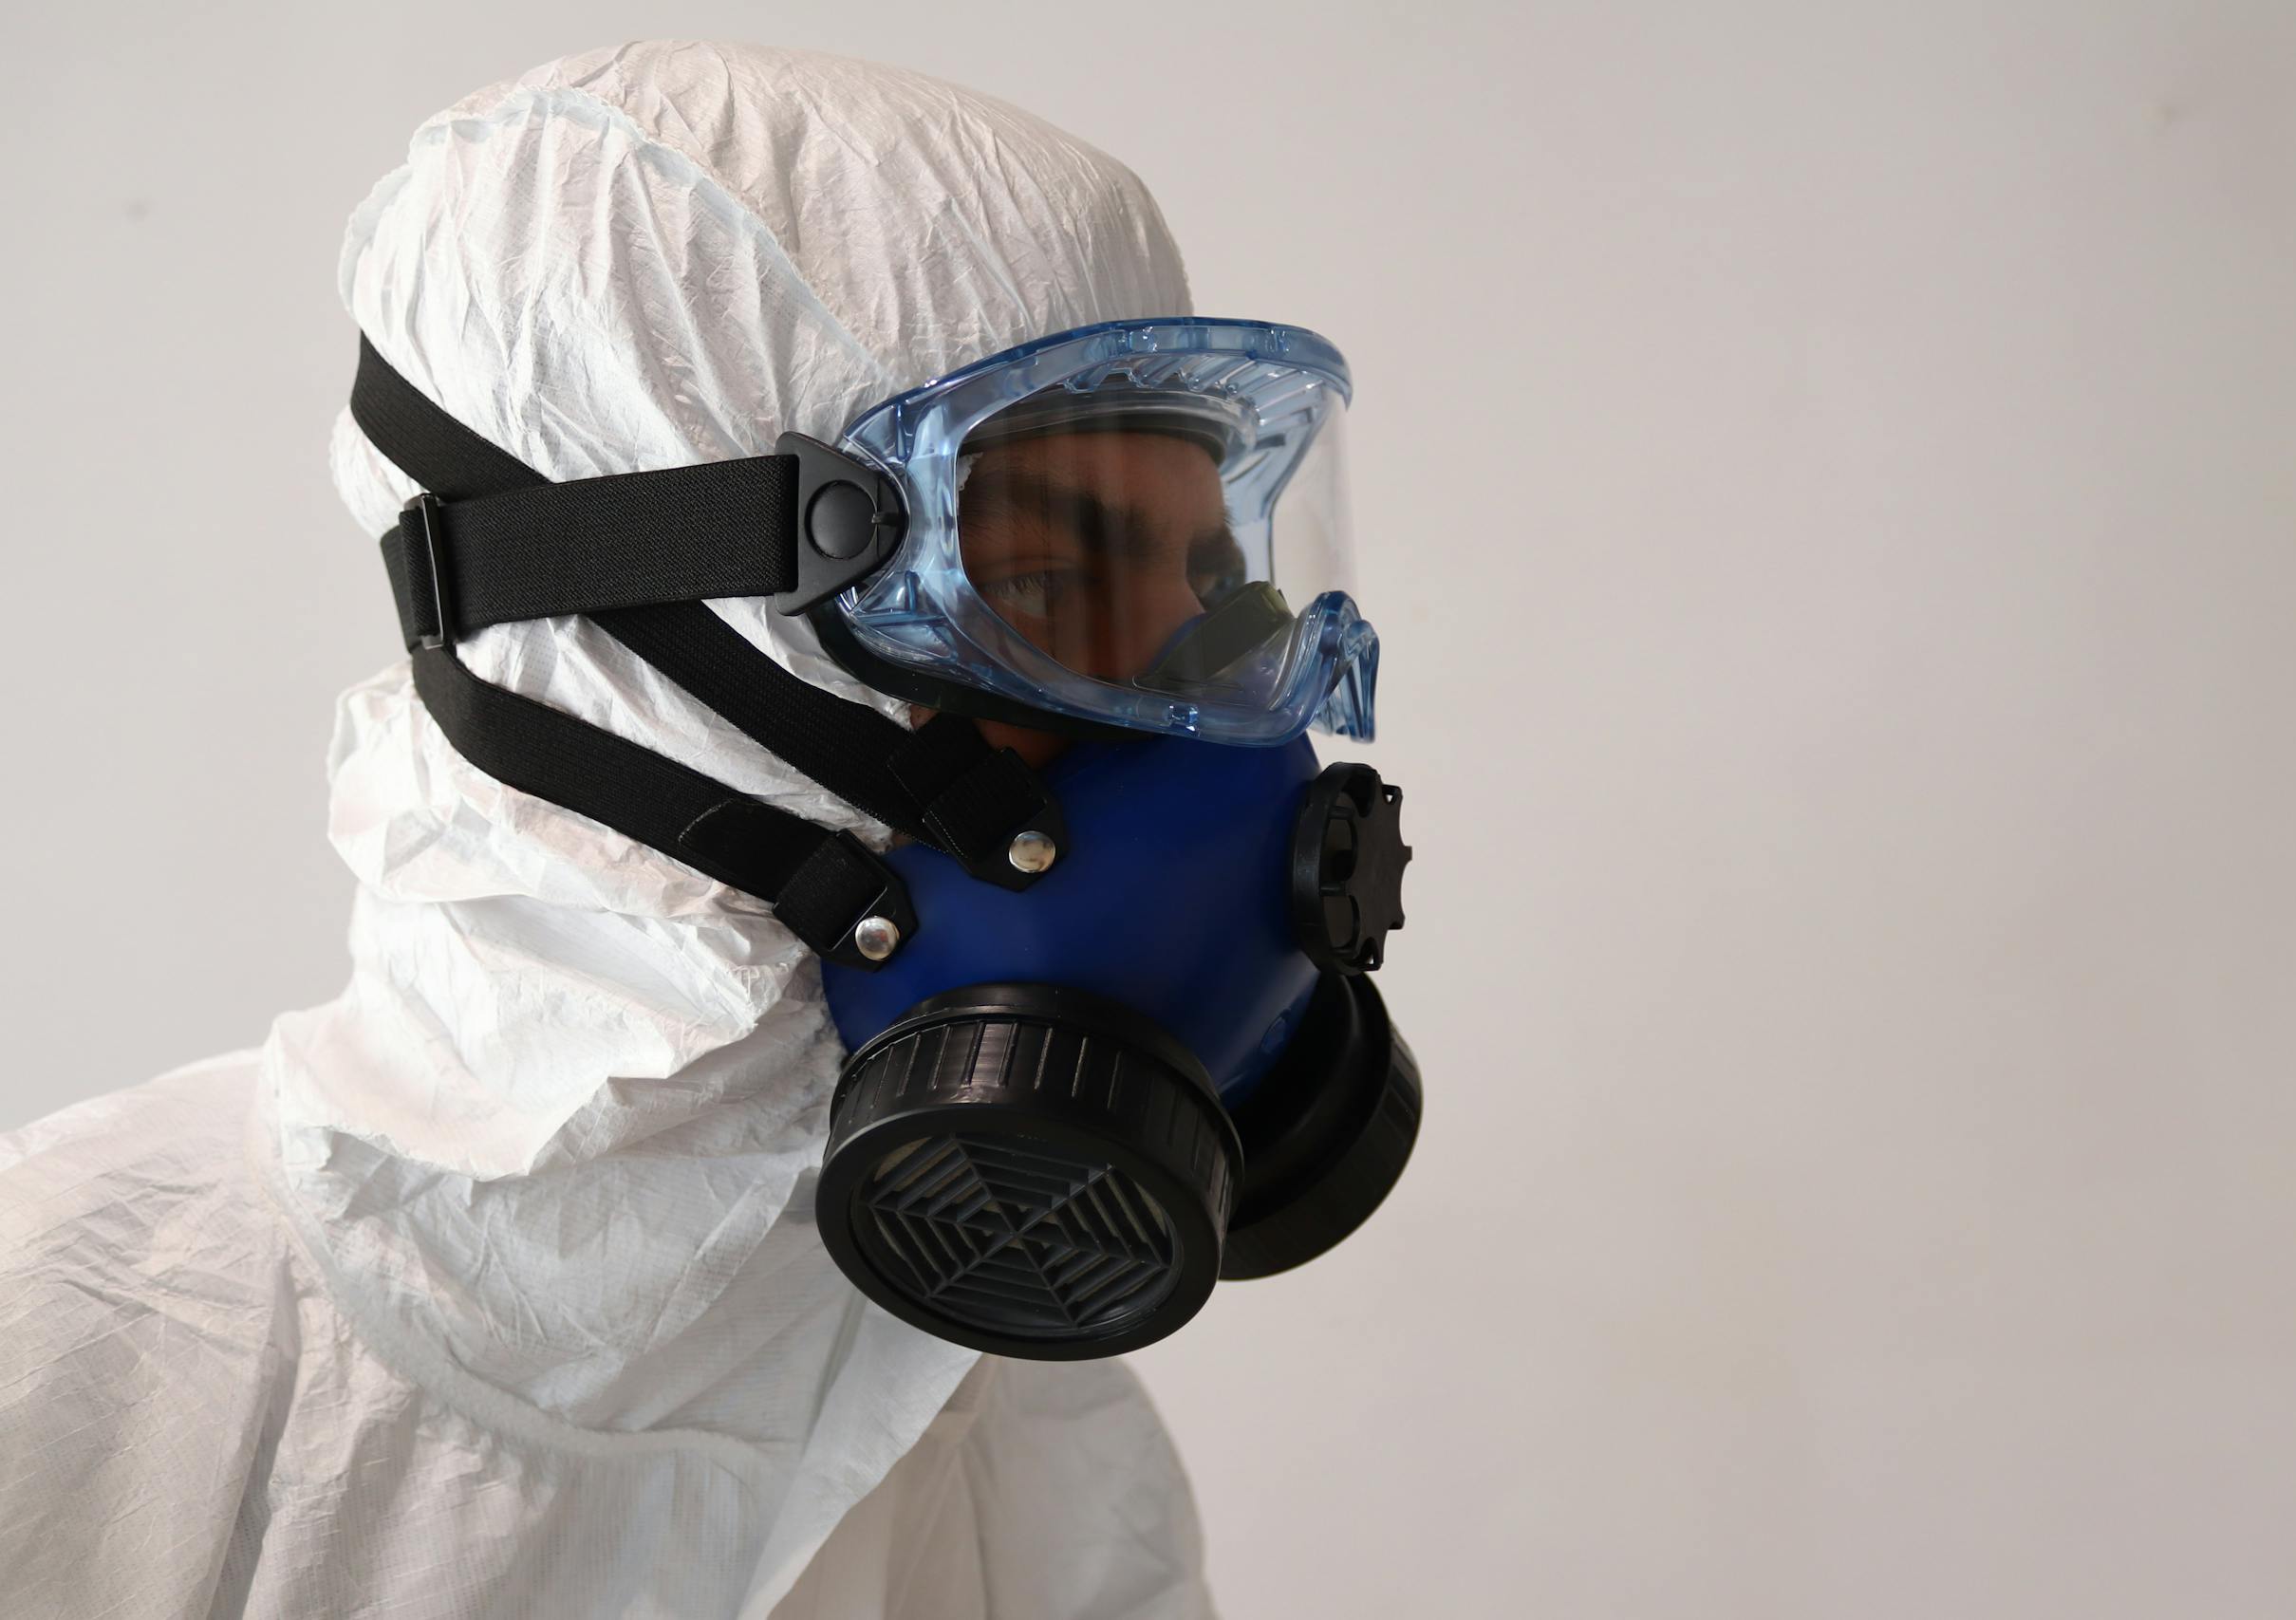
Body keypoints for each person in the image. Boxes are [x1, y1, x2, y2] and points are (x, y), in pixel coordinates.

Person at [0, 39, 1419, 1618]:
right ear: (610, 654)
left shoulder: (1015, 1448)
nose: (1199, 735)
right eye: (1035, 591)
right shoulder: (81, 1351)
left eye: (1208, 601)